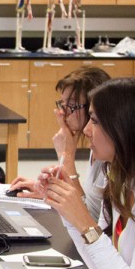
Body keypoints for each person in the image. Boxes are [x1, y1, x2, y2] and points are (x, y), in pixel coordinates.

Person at [38, 76, 135, 269]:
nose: (86, 129)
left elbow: (94, 238)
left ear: (122, 127)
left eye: (94, 120)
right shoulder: (121, 179)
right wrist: (67, 208)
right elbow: (97, 260)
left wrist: (85, 222)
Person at [10, 67, 110, 221]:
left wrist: (67, 158)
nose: (63, 113)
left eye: (71, 106)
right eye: (62, 104)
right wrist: (50, 192)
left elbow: (90, 221)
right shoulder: (95, 147)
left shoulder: (107, 151)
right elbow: (89, 204)